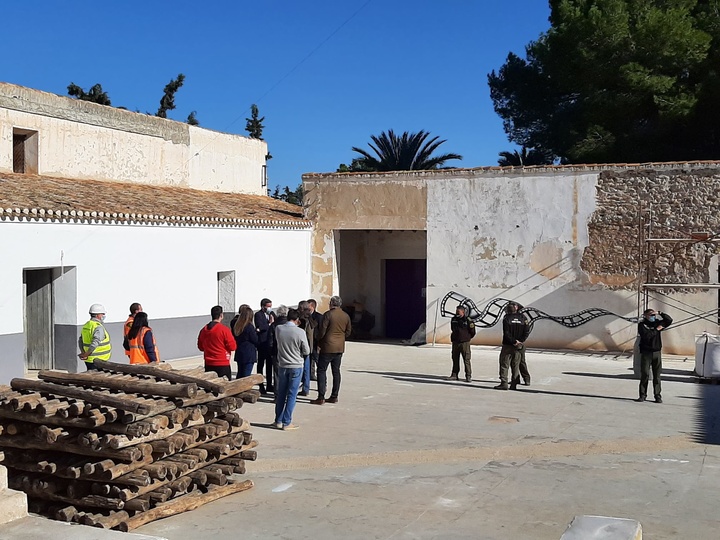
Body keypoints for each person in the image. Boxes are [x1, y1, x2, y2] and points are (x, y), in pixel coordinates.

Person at [273, 308, 310, 430]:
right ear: (297, 319)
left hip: (283, 364)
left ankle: (278, 419)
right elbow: (306, 350)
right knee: (292, 395)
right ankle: (287, 422)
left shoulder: (279, 329)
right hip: (296, 364)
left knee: (281, 394)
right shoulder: (300, 332)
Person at [311, 295, 352, 405]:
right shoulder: (345, 315)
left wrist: (318, 341)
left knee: (321, 370)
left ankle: (321, 396)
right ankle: (334, 396)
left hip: (327, 346)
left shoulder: (328, 315)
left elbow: (322, 331)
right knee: (336, 371)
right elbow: (348, 332)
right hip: (339, 347)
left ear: (331, 303)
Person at [637, 308, 673, 403]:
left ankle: (657, 395)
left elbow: (669, 320)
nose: (653, 317)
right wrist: (657, 329)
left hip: (656, 352)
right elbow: (647, 336)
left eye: (653, 315)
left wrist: (660, 313)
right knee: (645, 374)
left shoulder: (657, 322)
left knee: (657, 375)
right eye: (650, 315)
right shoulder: (642, 325)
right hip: (646, 352)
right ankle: (642, 395)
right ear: (645, 315)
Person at [495, 302, 529, 390]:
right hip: (518, 346)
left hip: (508, 345)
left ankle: (504, 383)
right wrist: (520, 341)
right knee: (516, 365)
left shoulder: (507, 318)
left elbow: (506, 333)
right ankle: (514, 384)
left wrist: (513, 341)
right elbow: (526, 331)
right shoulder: (523, 318)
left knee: (504, 364)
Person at [197, 305, 236, 380]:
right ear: (221, 315)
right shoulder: (224, 330)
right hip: (222, 363)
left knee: (210, 387)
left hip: (208, 363)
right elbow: (232, 346)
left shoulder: (203, 330)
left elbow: (200, 347)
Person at [78, 303, 112, 370]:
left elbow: (80, 340)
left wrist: (83, 353)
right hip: (99, 360)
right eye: (102, 314)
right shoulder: (98, 327)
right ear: (98, 315)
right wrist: (86, 354)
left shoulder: (87, 325)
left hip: (89, 360)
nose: (104, 316)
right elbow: (95, 342)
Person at [447, 305, 476, 382]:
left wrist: (467, 338)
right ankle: (454, 374)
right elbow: (452, 328)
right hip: (455, 342)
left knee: (466, 359)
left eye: (458, 311)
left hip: (464, 343)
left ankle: (468, 376)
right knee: (455, 359)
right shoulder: (454, 319)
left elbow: (472, 331)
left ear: (463, 312)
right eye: (456, 311)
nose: (457, 312)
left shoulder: (468, 320)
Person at [231, 304, 258, 379]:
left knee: (240, 374)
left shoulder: (237, 326)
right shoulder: (249, 327)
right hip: (248, 354)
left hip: (240, 352)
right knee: (246, 376)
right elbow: (255, 340)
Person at [254, 298, 275, 394]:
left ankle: (269, 384)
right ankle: (261, 384)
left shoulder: (272, 314)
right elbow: (259, 327)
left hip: (269, 343)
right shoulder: (258, 315)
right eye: (268, 307)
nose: (269, 308)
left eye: (270, 306)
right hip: (262, 342)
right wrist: (269, 323)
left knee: (269, 365)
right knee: (261, 364)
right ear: (263, 307)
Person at [297, 300, 317, 396]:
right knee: (306, 368)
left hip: (303, 346)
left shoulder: (302, 319)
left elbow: (307, 335)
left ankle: (303, 387)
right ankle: (306, 387)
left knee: (302, 368)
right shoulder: (310, 318)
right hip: (308, 346)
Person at [307, 299, 324, 380]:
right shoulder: (305, 316)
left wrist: (320, 343)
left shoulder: (319, 317)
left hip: (316, 342)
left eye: (309, 307)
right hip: (308, 342)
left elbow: (321, 330)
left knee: (317, 360)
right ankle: (311, 374)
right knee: (309, 360)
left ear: (313, 307)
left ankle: (321, 377)